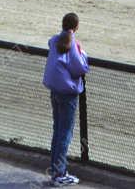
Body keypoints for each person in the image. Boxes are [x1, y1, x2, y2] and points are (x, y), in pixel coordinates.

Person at [42, 12, 89, 186]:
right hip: (67, 94)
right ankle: (59, 174)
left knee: (58, 130)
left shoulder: (54, 40)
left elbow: (52, 43)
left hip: (54, 90)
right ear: (76, 27)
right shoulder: (73, 44)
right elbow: (79, 68)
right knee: (65, 134)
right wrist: (82, 52)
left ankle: (56, 171)